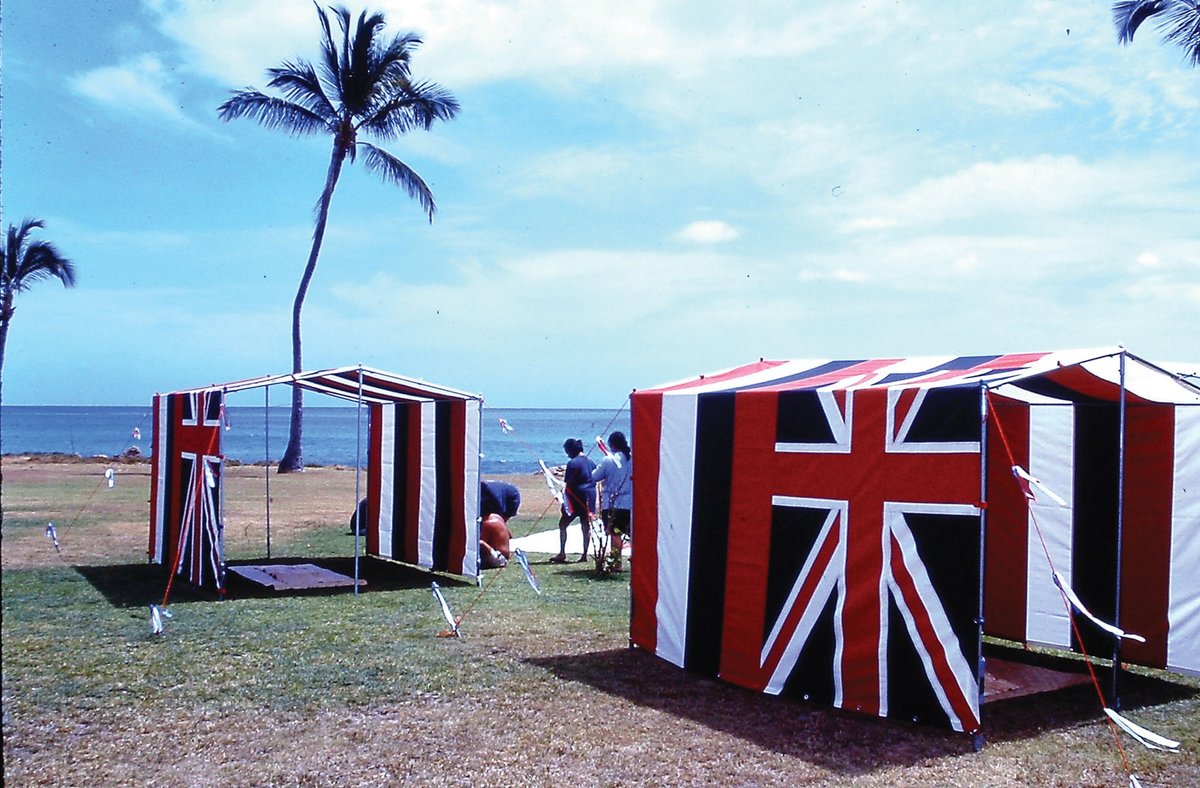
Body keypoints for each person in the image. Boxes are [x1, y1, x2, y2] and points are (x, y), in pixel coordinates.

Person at [550, 437, 596, 563]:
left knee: (563, 524)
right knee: (585, 526)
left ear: (571, 450)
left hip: (576, 496)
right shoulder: (591, 462)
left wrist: (565, 502)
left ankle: (562, 553)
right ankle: (584, 554)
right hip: (590, 496)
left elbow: (568, 483)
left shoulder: (573, 463)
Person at [591, 431, 632, 570]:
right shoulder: (631, 458)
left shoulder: (609, 460)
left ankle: (616, 561)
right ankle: (617, 561)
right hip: (629, 503)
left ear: (612, 445)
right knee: (625, 533)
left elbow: (595, 476)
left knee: (614, 533)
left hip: (613, 504)